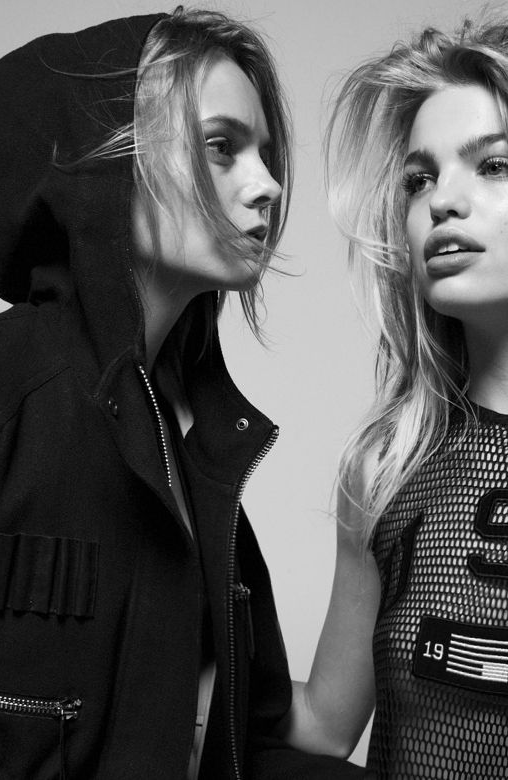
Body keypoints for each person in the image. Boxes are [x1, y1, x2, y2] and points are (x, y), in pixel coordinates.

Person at [0, 7, 365, 779]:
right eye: (221, 147)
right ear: (107, 160)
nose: (268, 185)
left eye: (264, 153)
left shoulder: (198, 446)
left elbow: (255, 739)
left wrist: (367, 523)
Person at [280, 14, 508, 779]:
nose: (442, 201)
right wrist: (145, 656)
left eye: (493, 165)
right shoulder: (385, 468)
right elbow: (323, 725)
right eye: (419, 179)